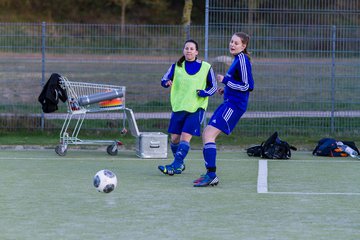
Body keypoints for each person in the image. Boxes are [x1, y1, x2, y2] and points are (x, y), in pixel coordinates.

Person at [193, 32, 254, 187]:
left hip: (234, 106)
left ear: (244, 46)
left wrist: (226, 80)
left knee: (208, 134)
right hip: (229, 102)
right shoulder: (236, 60)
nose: (232, 45)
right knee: (207, 133)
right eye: (231, 41)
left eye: (236, 43)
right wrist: (225, 89)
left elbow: (248, 86)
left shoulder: (242, 60)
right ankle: (210, 173)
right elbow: (237, 83)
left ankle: (212, 175)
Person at [158, 39, 217, 175]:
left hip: (196, 108)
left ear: (196, 52)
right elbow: (163, 79)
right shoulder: (176, 66)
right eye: (186, 48)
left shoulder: (206, 67)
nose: (189, 50)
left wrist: (204, 93)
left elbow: (213, 86)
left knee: (185, 137)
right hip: (179, 107)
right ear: (183, 51)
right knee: (174, 139)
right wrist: (166, 83)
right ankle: (179, 163)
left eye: (191, 49)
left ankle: (175, 165)